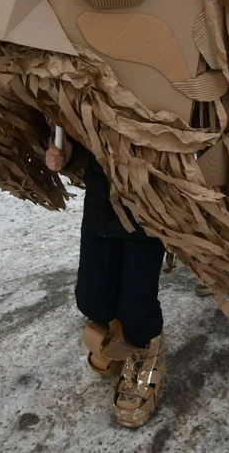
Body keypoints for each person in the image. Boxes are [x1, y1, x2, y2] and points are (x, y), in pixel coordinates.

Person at [46, 134, 166, 428]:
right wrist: (65, 150)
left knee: (137, 306)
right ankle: (118, 334)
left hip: (148, 203)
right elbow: (77, 120)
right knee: (91, 298)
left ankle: (145, 351)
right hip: (102, 201)